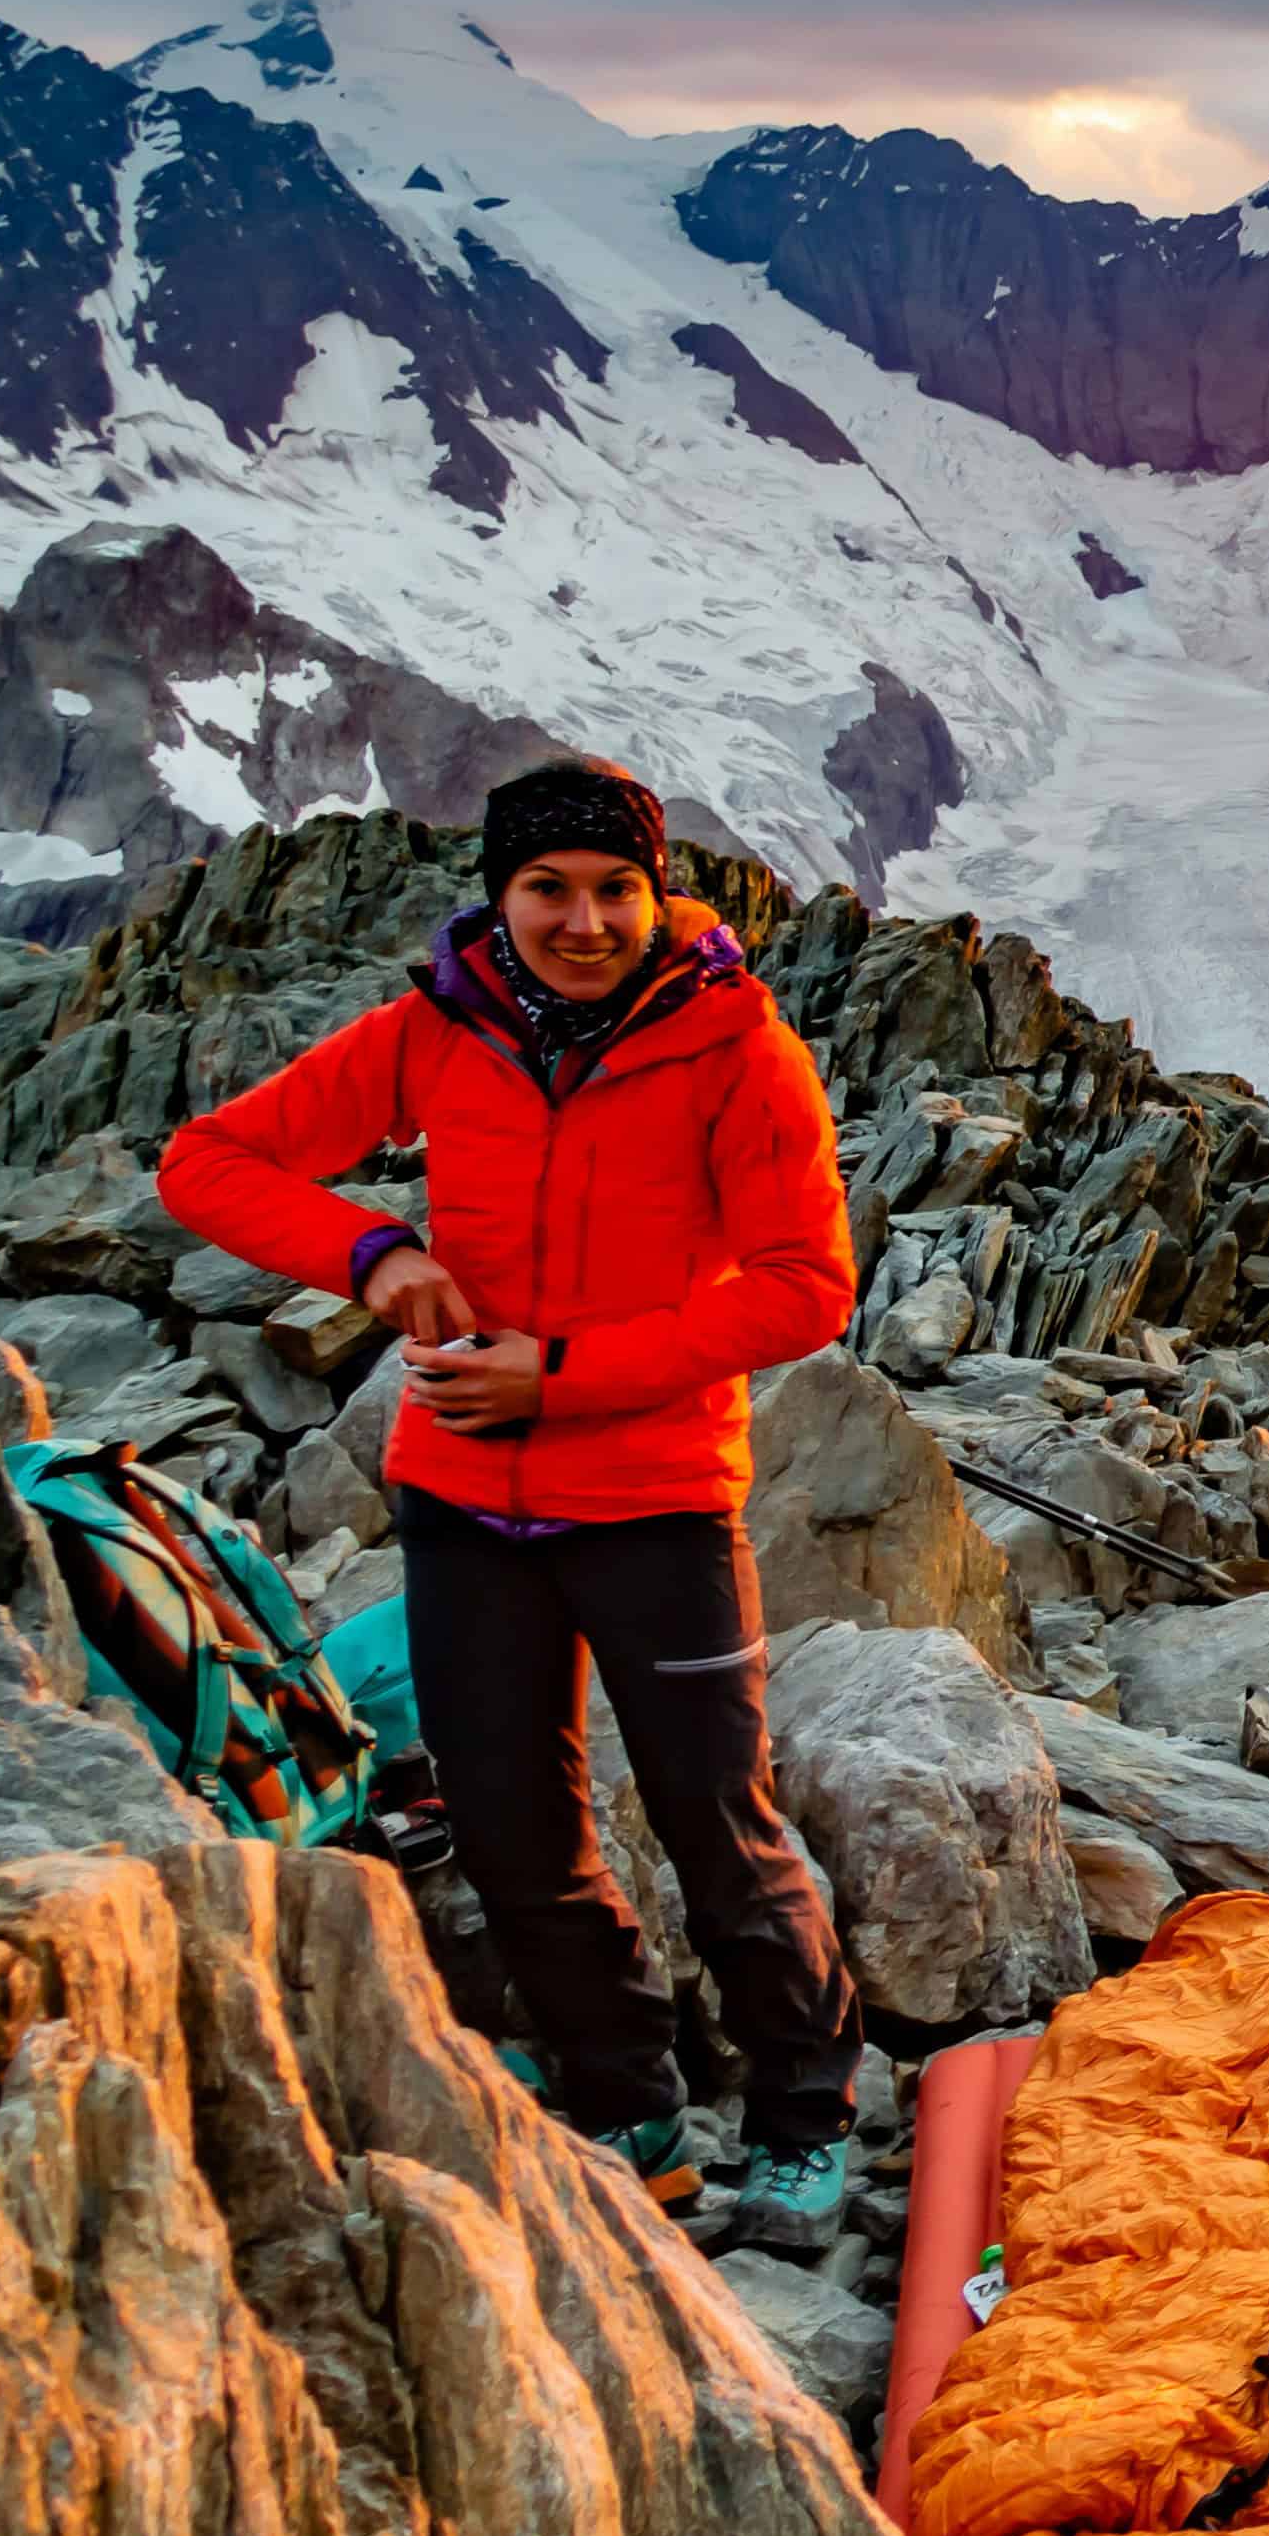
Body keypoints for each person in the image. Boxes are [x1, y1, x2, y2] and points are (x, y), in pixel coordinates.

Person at [160, 757, 868, 2253]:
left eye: (616, 888)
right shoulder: (440, 1031)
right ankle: (631, 2106)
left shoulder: (738, 1052)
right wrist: (369, 1257)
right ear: (499, 892)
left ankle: (807, 2123)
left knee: (712, 1821)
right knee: (508, 1825)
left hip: (659, 1496)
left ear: (662, 891)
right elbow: (207, 1162)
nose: (586, 920)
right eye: (549, 887)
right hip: (463, 1502)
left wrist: (565, 1376)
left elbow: (809, 1288)